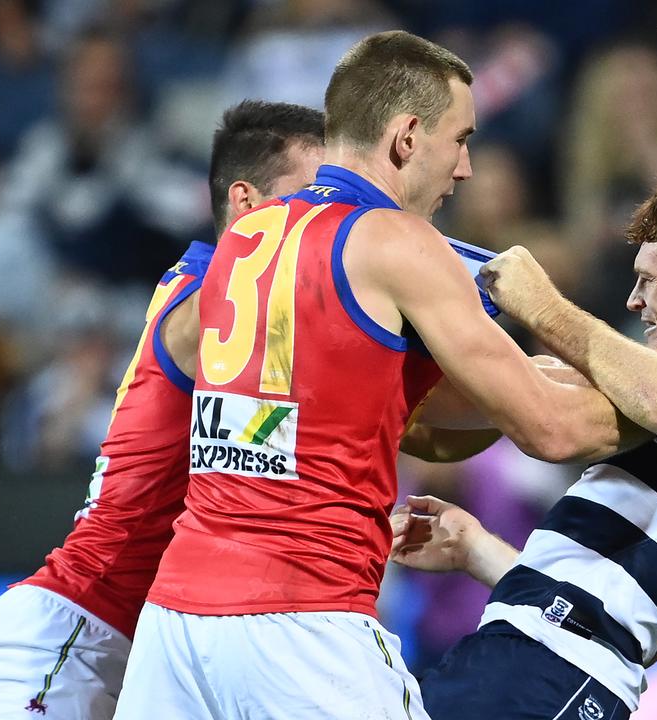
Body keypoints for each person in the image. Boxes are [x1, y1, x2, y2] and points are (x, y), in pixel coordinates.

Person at [115, 30, 623, 720]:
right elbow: (552, 430)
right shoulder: (400, 243)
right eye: (460, 138)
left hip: (174, 626)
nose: (466, 168)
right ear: (408, 137)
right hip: (304, 623)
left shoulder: (247, 237)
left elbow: (378, 408)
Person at [394, 163, 657, 720]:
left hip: (546, 677)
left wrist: (542, 306)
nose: (633, 301)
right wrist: (478, 549)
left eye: (647, 278)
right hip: (531, 663)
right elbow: (631, 619)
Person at [0, 100, 327, 720]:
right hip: (78, 628)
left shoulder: (239, 304)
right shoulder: (210, 301)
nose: (333, 221)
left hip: (155, 652)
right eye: (313, 199)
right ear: (247, 204)